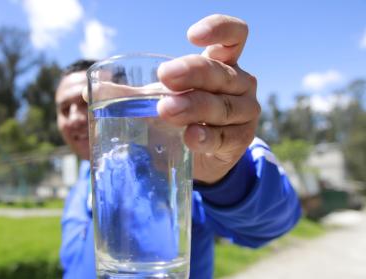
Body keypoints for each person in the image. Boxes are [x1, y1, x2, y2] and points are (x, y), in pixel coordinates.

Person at [57, 14, 301, 279]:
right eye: (63, 108)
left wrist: (222, 176)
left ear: (124, 95)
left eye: (86, 102)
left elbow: (272, 223)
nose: (75, 117)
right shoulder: (81, 185)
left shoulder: (167, 166)